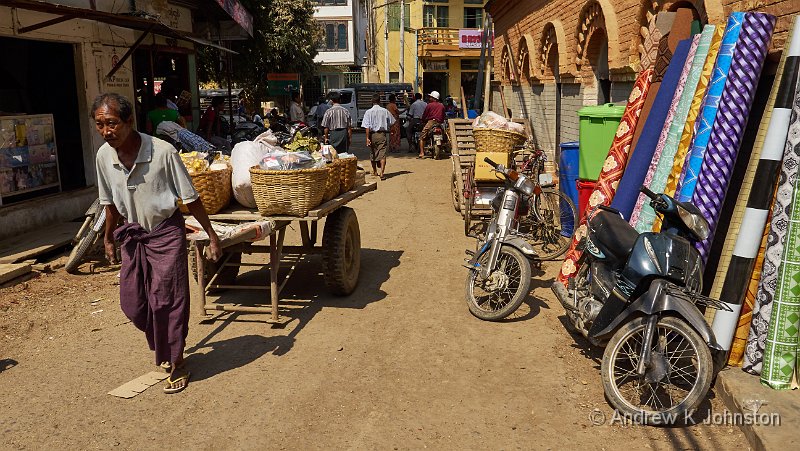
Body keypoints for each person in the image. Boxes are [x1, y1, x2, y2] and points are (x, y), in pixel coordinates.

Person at [92, 93, 221, 395]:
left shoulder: (162, 152)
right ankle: (165, 343)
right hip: (133, 236)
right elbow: (109, 204)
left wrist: (211, 235)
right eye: (100, 125)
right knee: (133, 303)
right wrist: (108, 237)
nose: (106, 131)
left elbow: (191, 199)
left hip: (166, 234)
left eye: (112, 124)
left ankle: (175, 360)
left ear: (128, 121)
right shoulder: (103, 157)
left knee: (167, 300)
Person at [361, 93, 395, 180]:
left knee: (373, 153)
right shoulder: (384, 111)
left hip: (372, 135)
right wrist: (390, 129)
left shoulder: (368, 112)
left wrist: (367, 138)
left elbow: (367, 127)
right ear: (379, 101)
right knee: (382, 154)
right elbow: (392, 122)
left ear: (372, 101)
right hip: (382, 134)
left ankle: (375, 171)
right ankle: (382, 173)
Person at [418, 90, 445, 158]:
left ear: (433, 98)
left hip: (431, 122)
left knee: (422, 137)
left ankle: (422, 153)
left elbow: (425, 115)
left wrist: (423, 120)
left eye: (430, 97)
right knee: (444, 135)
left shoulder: (429, 105)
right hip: (439, 123)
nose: (429, 98)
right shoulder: (442, 105)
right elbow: (443, 116)